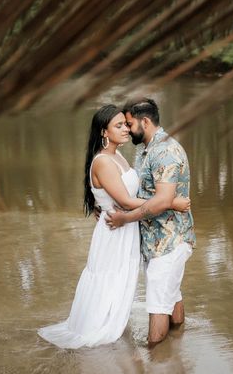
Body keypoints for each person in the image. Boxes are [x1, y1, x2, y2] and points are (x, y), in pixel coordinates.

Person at [38, 104, 190, 349]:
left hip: (126, 230)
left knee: (123, 284)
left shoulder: (118, 155)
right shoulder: (104, 162)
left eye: (126, 124)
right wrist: (171, 202)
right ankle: (104, 331)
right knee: (109, 282)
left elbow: (128, 192)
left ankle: (160, 343)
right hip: (114, 232)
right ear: (103, 132)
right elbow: (126, 201)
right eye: (119, 125)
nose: (126, 130)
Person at [105, 98, 195, 347]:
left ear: (145, 121)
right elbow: (152, 196)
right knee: (170, 295)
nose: (127, 129)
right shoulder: (149, 149)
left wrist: (124, 218)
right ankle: (177, 348)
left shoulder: (165, 151)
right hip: (159, 241)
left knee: (156, 306)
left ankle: (156, 359)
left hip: (169, 240)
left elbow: (162, 200)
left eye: (130, 124)